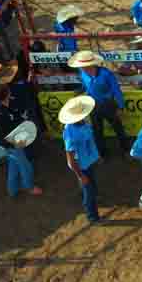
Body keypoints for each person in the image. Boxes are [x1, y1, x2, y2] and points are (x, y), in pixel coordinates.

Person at [68, 50, 130, 158]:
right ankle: (102, 154)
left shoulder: (106, 74)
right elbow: (86, 86)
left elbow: (116, 90)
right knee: (97, 131)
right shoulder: (82, 73)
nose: (82, 68)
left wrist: (120, 106)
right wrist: (79, 91)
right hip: (93, 105)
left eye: (84, 66)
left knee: (118, 128)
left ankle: (126, 149)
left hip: (108, 104)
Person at [0, 78, 44, 198]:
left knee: (14, 165)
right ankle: (29, 187)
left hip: (17, 138)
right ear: (8, 93)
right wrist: (10, 145)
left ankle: (12, 190)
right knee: (25, 165)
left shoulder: (9, 102)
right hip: (11, 143)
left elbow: (16, 116)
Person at [59, 95, 104, 225]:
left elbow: (91, 140)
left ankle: (92, 195)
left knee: (91, 183)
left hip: (89, 160)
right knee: (87, 189)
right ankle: (92, 217)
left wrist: (97, 156)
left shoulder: (84, 122)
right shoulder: (70, 133)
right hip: (82, 166)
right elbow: (71, 160)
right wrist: (80, 175)